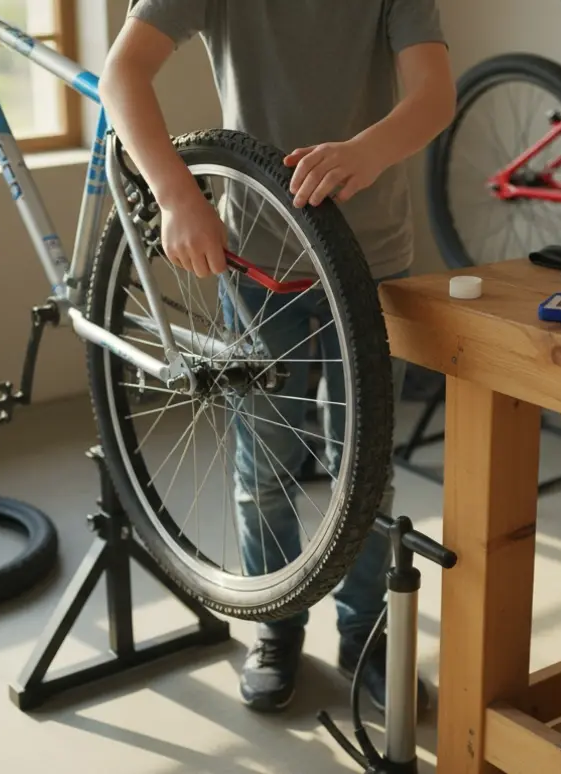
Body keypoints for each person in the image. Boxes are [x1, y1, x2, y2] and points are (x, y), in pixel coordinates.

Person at [100, 0, 455, 713]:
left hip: (372, 260)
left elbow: (434, 93)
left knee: (364, 466)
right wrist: (174, 192)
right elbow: (123, 75)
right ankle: (276, 624)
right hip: (261, 263)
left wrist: (368, 150)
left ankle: (365, 637)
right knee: (263, 463)